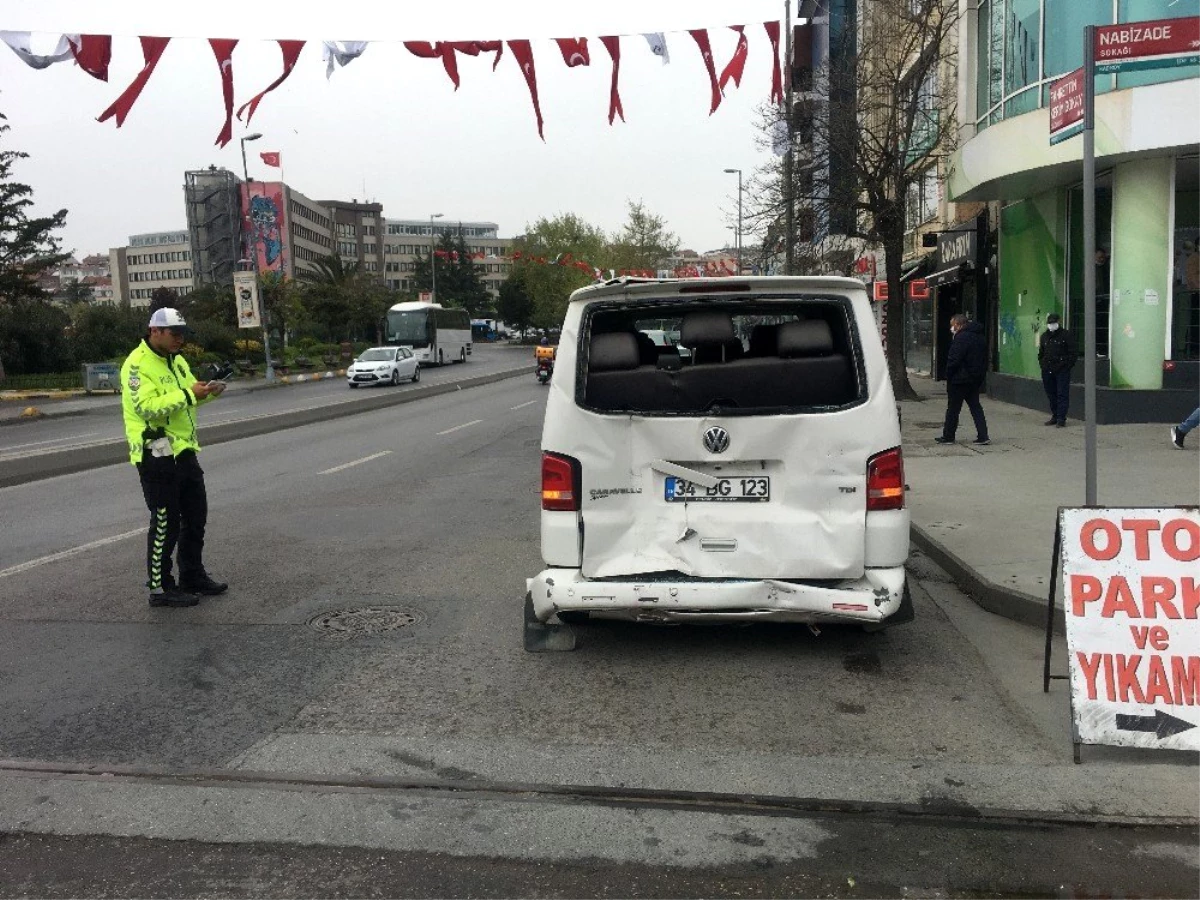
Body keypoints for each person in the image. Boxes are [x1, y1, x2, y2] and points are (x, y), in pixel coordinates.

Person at [121, 306, 228, 607]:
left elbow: (185, 404)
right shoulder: (137, 365)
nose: (179, 339)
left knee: (195, 517)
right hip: (155, 453)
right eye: (174, 334)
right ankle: (160, 587)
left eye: (183, 334)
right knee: (165, 521)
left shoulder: (177, 362)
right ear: (154, 331)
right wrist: (192, 394)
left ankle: (192, 575)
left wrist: (207, 392)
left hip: (183, 450)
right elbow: (148, 408)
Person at [935, 313, 990, 446]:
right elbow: (984, 359)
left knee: (953, 409)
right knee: (976, 407)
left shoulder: (961, 338)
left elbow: (954, 360)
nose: (951, 328)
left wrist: (949, 374)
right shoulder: (980, 337)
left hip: (959, 380)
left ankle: (948, 436)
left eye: (953, 325)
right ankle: (983, 435)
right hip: (974, 379)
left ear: (958, 325)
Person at [1038, 312, 1075, 427]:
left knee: (1062, 394)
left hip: (1062, 370)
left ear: (1058, 322)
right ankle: (1055, 415)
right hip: (1047, 370)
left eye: (1053, 322)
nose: (1051, 325)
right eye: (1050, 323)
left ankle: (1061, 418)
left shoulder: (1066, 335)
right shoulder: (1044, 336)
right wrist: (1042, 364)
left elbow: (1073, 353)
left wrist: (1066, 366)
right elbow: (1041, 353)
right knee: (1051, 393)